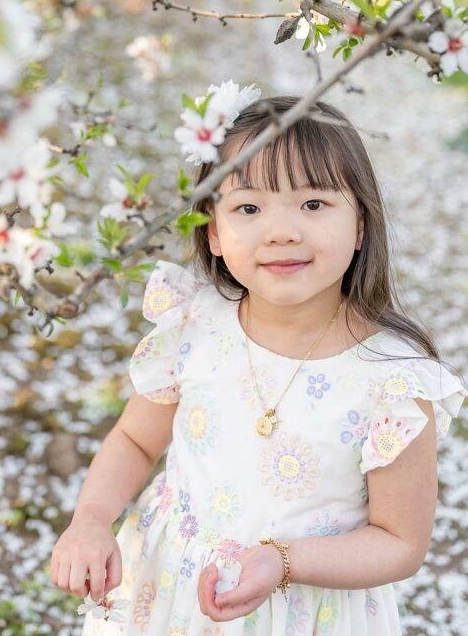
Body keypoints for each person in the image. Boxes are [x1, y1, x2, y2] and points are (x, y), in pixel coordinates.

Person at [50, 92, 467, 634]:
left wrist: (285, 561)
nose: (282, 231)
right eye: (248, 208)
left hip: (308, 610)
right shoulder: (195, 324)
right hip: (170, 587)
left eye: (314, 204)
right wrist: (89, 520)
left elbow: (400, 542)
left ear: (361, 225)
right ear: (215, 231)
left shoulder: (392, 382)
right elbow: (135, 440)